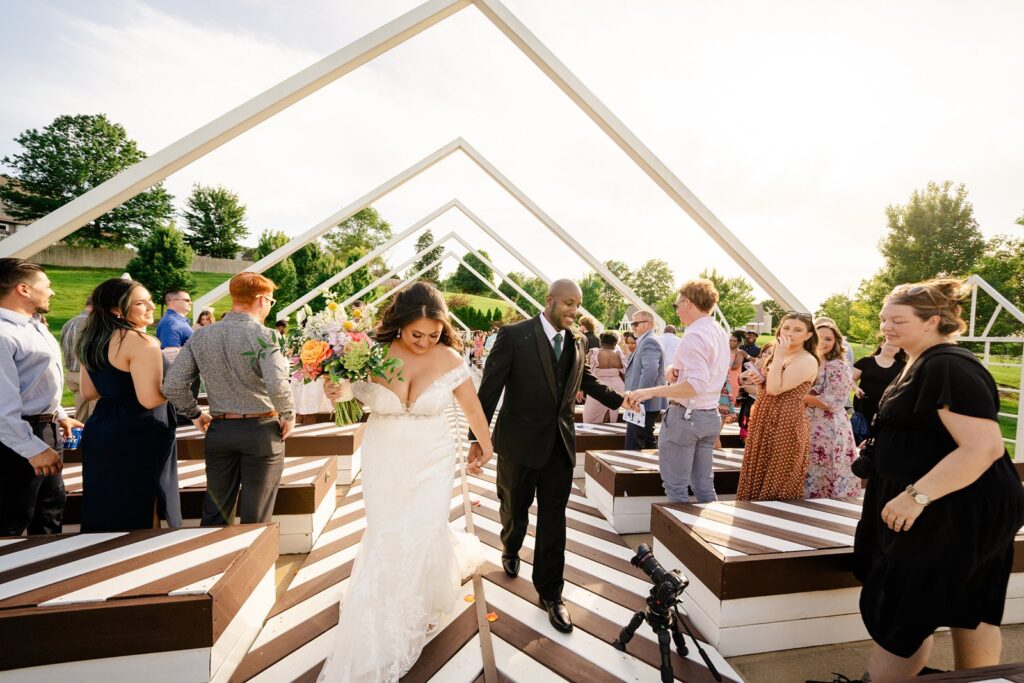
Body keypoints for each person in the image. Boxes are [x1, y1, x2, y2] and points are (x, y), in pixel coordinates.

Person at [318, 282, 493, 682]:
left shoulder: (449, 357)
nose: (425, 341)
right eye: (417, 334)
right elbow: (346, 401)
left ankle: (420, 599)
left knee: (424, 526)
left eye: (433, 334)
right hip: (385, 458)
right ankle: (384, 604)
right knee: (388, 529)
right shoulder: (365, 354)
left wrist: (486, 444)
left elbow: (472, 406)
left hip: (434, 458)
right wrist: (336, 391)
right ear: (399, 325)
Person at [853, 279, 1024, 682]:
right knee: (969, 602)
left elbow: (982, 448)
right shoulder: (919, 360)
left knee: (905, 608)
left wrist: (915, 496)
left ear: (932, 321)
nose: (886, 328)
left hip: (956, 506)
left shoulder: (948, 365)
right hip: (953, 502)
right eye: (883, 320)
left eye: (897, 320)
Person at [471, 279, 624, 633]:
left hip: (560, 446)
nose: (574, 310)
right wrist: (477, 439)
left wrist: (622, 399)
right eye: (568, 303)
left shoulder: (579, 340)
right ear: (550, 300)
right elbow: (489, 388)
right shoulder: (514, 336)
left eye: (578, 305)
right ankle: (510, 546)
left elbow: (584, 379)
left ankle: (551, 594)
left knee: (555, 521)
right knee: (514, 507)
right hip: (519, 444)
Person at [162, 272, 295, 526]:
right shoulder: (266, 336)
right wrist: (288, 414)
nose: (269, 306)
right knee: (256, 513)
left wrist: (195, 414)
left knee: (215, 512)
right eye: (270, 300)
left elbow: (173, 385)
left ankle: (212, 561)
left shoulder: (201, 335)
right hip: (261, 430)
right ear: (260, 299)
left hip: (220, 429)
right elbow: (277, 385)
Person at [77, 278, 181, 531]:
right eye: (140, 303)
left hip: (101, 428)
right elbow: (149, 399)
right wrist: (179, 382)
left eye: (150, 300)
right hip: (140, 430)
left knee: (105, 502)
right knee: (143, 504)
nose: (150, 306)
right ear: (117, 310)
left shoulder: (90, 339)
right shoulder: (143, 343)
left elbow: (88, 392)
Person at [626, 280, 730, 503]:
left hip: (686, 417)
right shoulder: (718, 332)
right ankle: (707, 531)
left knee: (675, 487)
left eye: (676, 305)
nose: (676, 310)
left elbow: (696, 384)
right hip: (710, 415)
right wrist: (674, 370)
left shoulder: (693, 335)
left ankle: (677, 536)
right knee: (703, 486)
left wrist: (651, 391)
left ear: (689, 303)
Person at [0, 259, 81, 536]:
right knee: (13, 516)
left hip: (45, 428)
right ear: (23, 289)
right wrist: (32, 448)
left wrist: (58, 414)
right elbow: (2, 404)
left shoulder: (35, 326)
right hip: (16, 436)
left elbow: (35, 381)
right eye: (46, 285)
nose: (52, 292)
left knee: (50, 510)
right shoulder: (3, 333)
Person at [735, 312, 819, 500]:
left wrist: (778, 355)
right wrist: (759, 381)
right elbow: (767, 388)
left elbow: (774, 389)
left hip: (786, 423)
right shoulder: (780, 356)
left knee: (777, 479)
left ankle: (772, 524)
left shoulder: (807, 360)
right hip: (764, 418)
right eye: (786, 327)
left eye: (798, 330)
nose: (790, 333)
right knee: (757, 472)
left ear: (808, 335)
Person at [802, 320, 860, 499]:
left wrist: (797, 396)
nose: (824, 342)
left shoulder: (837, 365)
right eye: (820, 338)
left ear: (836, 342)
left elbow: (832, 402)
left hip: (827, 427)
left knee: (824, 469)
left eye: (829, 339)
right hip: (805, 422)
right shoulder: (809, 360)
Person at [623, 310, 666, 449]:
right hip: (643, 402)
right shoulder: (646, 340)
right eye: (631, 323)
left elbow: (650, 371)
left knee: (634, 444)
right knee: (646, 441)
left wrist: (638, 397)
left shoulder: (649, 341)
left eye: (636, 323)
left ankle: (633, 470)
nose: (632, 327)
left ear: (649, 324)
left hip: (642, 403)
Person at [853, 341, 906, 435]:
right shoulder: (866, 361)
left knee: (879, 435)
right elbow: (851, 379)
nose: (891, 347)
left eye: (895, 346)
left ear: (899, 350)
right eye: (888, 344)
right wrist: (856, 389)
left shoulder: (903, 367)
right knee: (859, 434)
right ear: (881, 344)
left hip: (886, 408)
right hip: (864, 404)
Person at [60, 296, 97, 422]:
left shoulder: (69, 322)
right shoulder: (92, 323)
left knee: (80, 418)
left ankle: (80, 441)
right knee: (96, 416)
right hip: (88, 375)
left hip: (72, 373)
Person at [583, 331, 627, 423]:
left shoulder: (594, 352)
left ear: (601, 341)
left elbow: (581, 368)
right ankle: (608, 436)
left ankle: (592, 436)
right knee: (611, 413)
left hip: (597, 387)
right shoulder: (619, 354)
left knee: (590, 417)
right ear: (615, 343)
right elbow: (624, 375)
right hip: (617, 387)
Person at [156, 289, 194, 355]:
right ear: (173, 302)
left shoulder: (177, 321)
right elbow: (171, 354)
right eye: (187, 300)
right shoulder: (170, 323)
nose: (190, 303)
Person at [727, 330, 748, 405]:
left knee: (730, 403)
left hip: (733, 380)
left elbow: (735, 366)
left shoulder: (740, 353)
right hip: (723, 379)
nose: (731, 342)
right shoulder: (725, 351)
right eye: (730, 340)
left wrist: (721, 365)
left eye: (734, 341)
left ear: (739, 342)